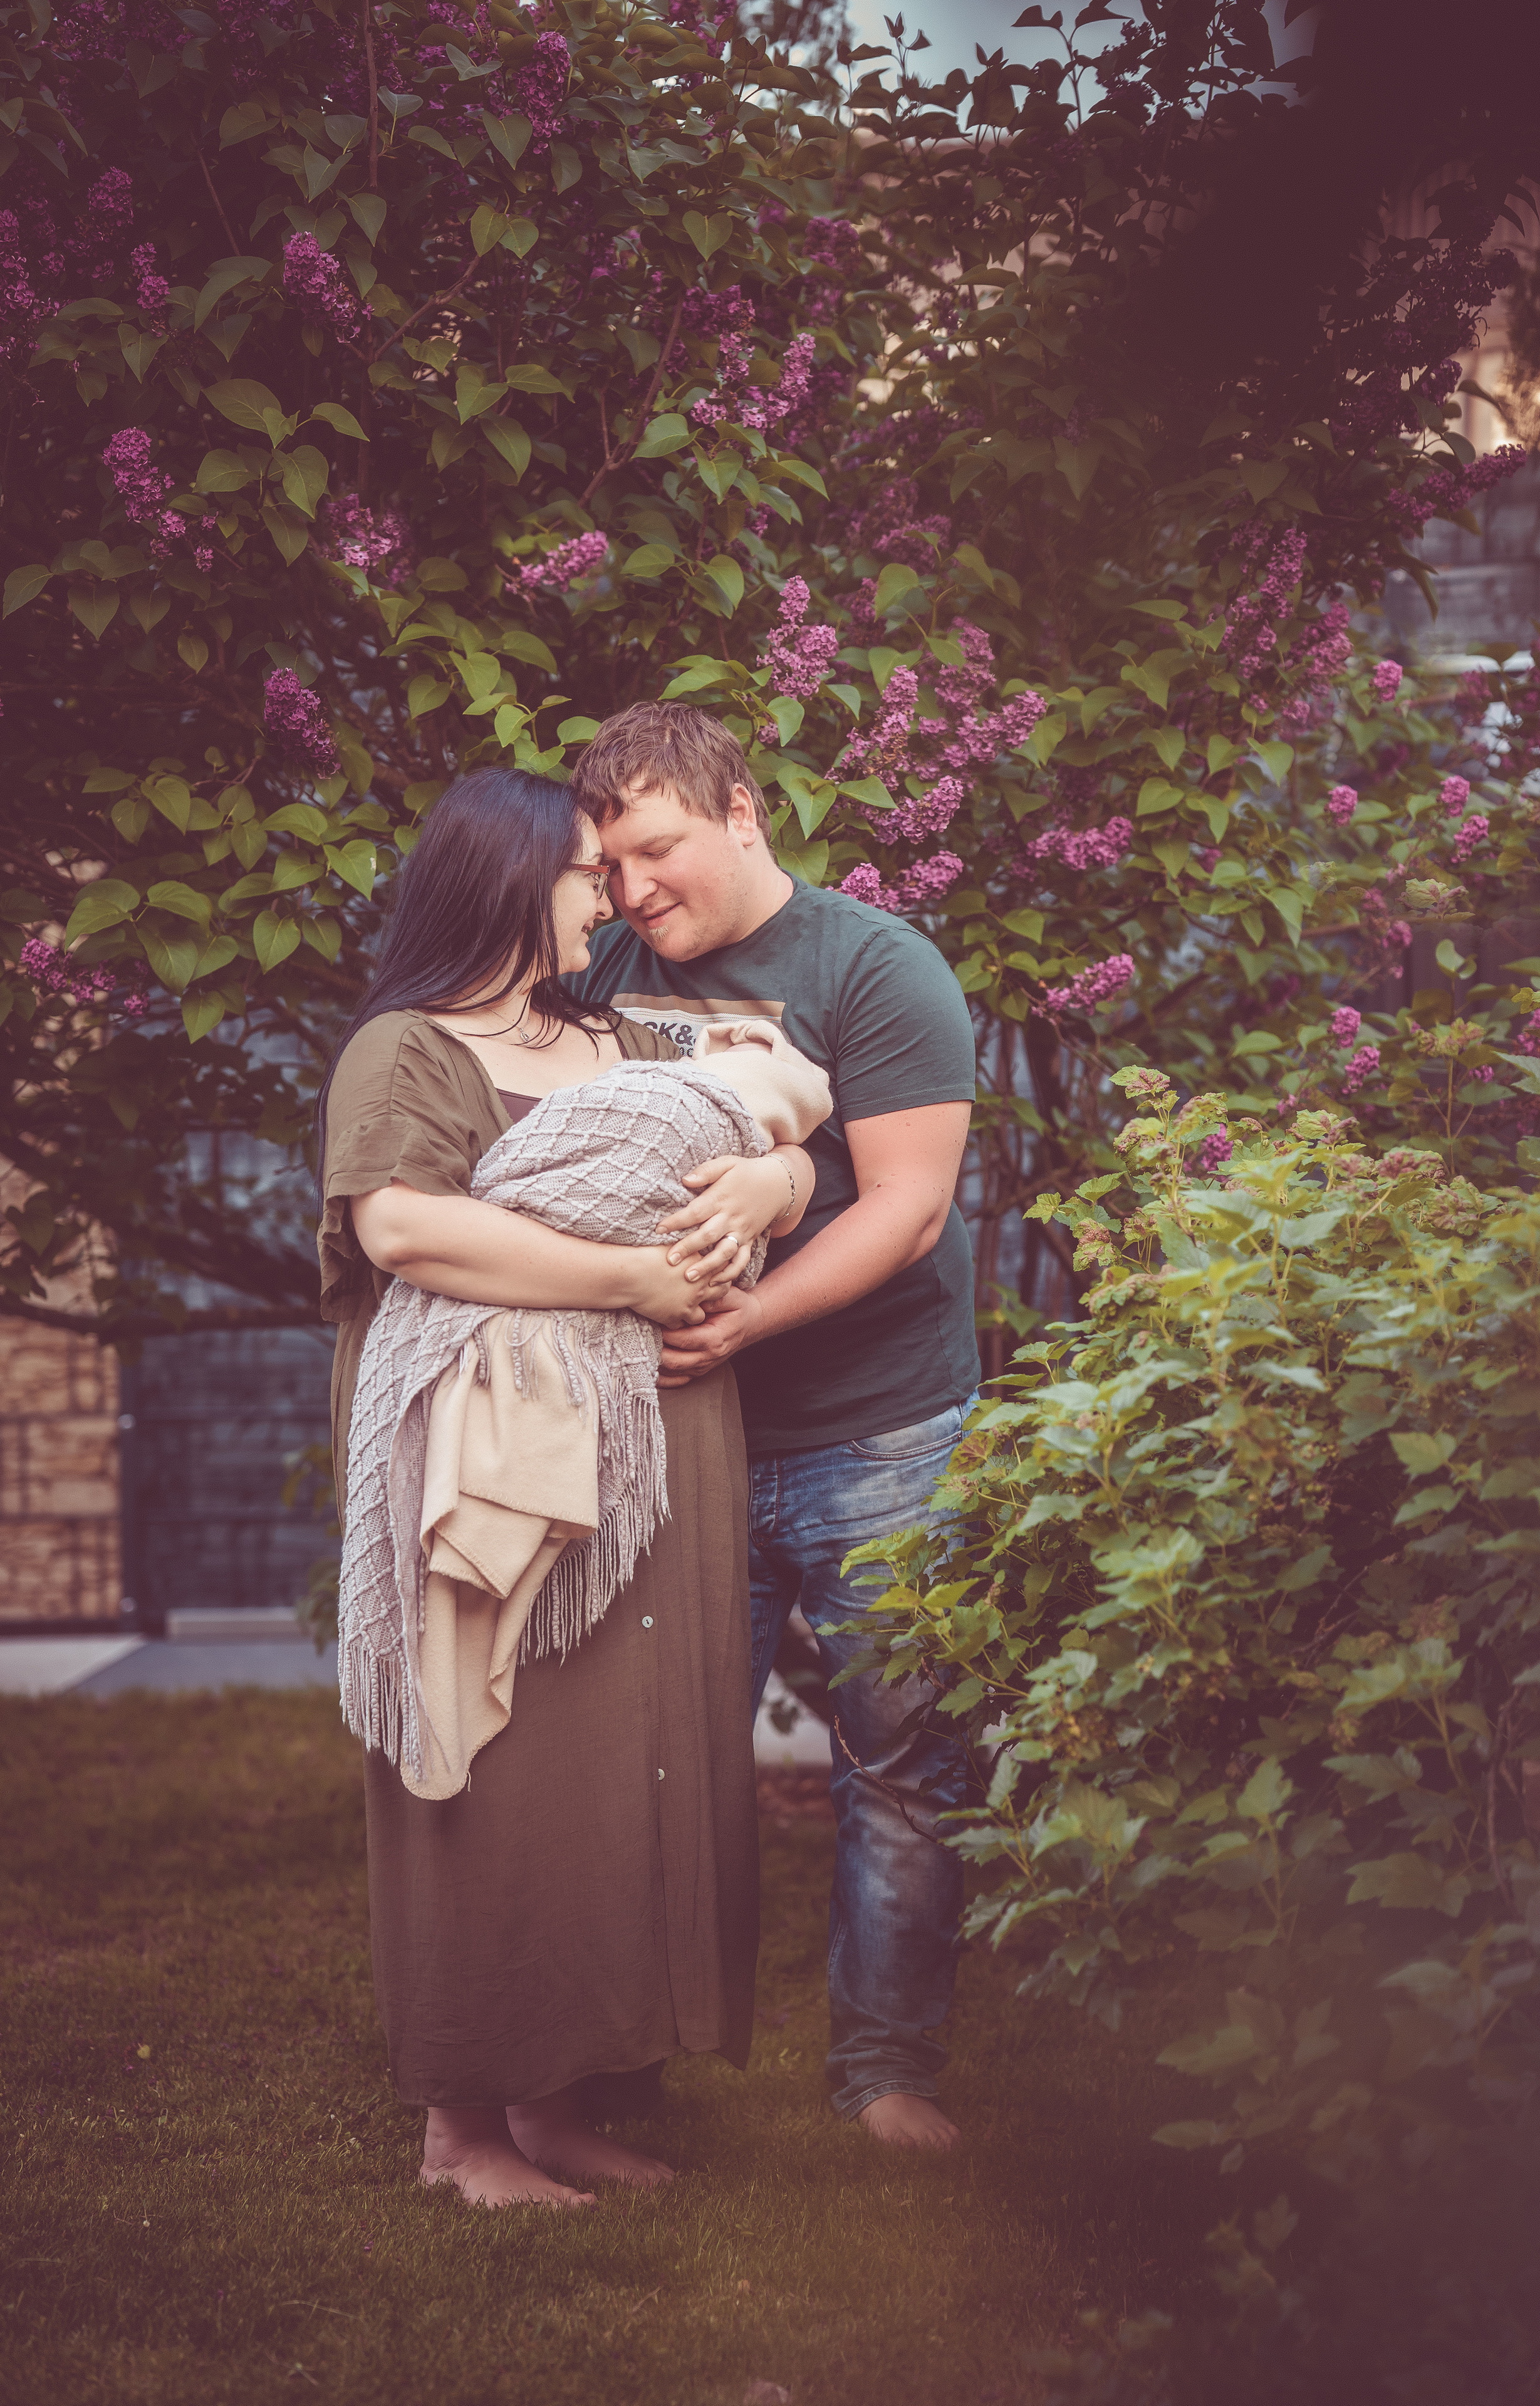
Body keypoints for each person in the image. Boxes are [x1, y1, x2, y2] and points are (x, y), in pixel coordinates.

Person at [318, 764, 816, 2208]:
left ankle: (562, 2103)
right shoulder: (403, 1051)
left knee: (625, 1763)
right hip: (487, 1451)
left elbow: (781, 1120)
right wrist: (633, 1278)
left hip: (657, 1442)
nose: (610, 898)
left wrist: (768, 1195)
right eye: (585, 874)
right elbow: (409, 1228)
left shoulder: (628, 1030)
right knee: (488, 1766)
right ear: (507, 879)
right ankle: (461, 2133)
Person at [571, 702, 982, 2152]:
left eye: (659, 849)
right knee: (648, 1759)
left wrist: (745, 1317)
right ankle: (613, 2077)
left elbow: (907, 1204)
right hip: (674, 1437)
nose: (634, 893)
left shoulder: (873, 966)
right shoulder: (597, 968)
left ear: (743, 811)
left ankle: (885, 2076)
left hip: (878, 1433)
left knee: (905, 1760)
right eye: (611, 865)